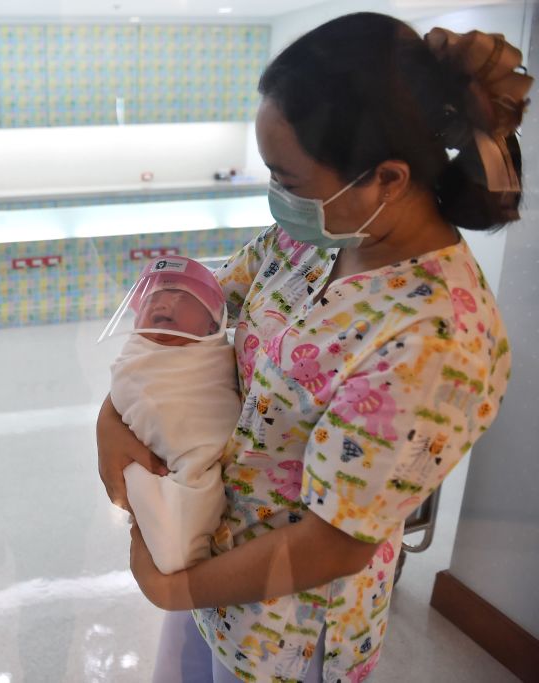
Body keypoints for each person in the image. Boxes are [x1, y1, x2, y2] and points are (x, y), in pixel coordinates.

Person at [96, 13, 529, 683]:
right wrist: (111, 420)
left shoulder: (436, 341)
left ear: (387, 178)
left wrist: (173, 590)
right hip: (206, 562)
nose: (277, 198)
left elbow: (335, 542)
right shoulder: (316, 237)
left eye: (288, 179)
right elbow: (193, 315)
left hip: (282, 632)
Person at [99, 257, 240, 573]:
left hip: (207, 450)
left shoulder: (211, 355)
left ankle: (180, 528)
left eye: (181, 296)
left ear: (211, 324)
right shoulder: (138, 354)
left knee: (195, 477)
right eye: (153, 298)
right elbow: (127, 380)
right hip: (168, 465)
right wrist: (107, 423)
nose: (164, 302)